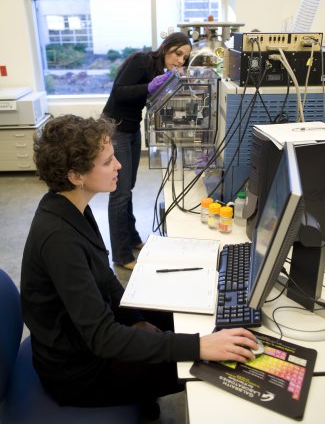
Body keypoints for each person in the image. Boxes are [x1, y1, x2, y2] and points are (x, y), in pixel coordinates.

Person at [21, 114, 259, 419]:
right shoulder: (58, 240)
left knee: (181, 320)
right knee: (211, 362)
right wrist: (199, 347)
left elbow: (106, 280)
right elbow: (104, 337)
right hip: (79, 372)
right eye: (107, 162)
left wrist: (136, 319)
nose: (119, 165)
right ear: (75, 176)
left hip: (87, 340)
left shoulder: (71, 207)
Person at [102, 32, 192, 270]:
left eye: (185, 57)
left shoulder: (159, 70)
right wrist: (150, 86)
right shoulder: (141, 60)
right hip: (115, 129)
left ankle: (131, 239)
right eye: (178, 53)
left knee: (127, 188)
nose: (181, 60)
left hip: (131, 129)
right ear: (166, 48)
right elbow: (119, 92)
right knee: (119, 193)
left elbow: (151, 99)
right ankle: (121, 255)